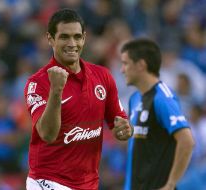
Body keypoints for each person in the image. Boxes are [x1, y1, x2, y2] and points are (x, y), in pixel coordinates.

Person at [24, 8, 133, 190]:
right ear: (50, 39)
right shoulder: (38, 83)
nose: (72, 43)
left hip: (88, 184)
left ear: (84, 38)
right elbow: (48, 134)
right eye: (64, 37)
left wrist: (125, 129)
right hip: (48, 181)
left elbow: (119, 125)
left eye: (77, 36)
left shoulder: (103, 76)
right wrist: (56, 91)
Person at [119, 38, 195, 190]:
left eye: (126, 63)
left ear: (141, 65)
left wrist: (170, 184)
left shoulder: (162, 98)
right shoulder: (135, 98)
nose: (122, 69)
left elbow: (187, 141)